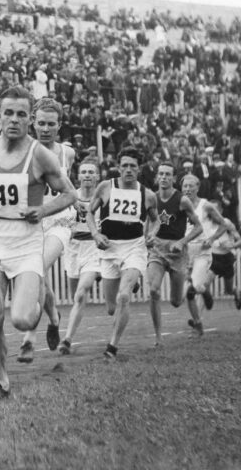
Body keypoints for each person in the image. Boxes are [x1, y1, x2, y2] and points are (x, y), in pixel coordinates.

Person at [0, 86, 76, 400]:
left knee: (21, 319)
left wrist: (42, 209)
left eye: (22, 114)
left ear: (29, 118)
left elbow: (70, 195)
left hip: (26, 241)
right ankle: (2, 381)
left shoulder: (40, 154)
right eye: (8, 113)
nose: (15, 120)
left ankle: (45, 316)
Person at [16, 97, 74, 363]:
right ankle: (53, 317)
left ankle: (29, 337)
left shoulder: (67, 153)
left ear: (59, 125)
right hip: (35, 221)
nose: (46, 129)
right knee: (40, 276)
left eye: (51, 124)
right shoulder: (22, 150)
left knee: (36, 268)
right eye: (41, 123)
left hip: (60, 222)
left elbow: (67, 186)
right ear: (32, 123)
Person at [86, 149, 159, 358]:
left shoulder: (147, 194)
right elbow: (90, 212)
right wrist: (95, 234)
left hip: (134, 247)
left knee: (124, 296)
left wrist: (152, 234)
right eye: (125, 165)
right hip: (109, 249)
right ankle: (130, 279)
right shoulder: (106, 187)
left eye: (133, 166)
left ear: (139, 169)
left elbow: (156, 219)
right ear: (118, 167)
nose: (128, 170)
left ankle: (112, 347)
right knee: (111, 308)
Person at [147, 162, 203, 346]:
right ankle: (158, 337)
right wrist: (147, 239)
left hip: (177, 251)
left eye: (167, 174)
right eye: (160, 174)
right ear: (157, 177)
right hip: (157, 248)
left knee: (176, 301)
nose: (163, 177)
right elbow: (148, 223)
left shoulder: (182, 200)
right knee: (154, 290)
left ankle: (185, 291)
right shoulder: (151, 198)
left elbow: (198, 227)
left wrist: (182, 242)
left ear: (173, 178)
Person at [58, 159, 102, 354]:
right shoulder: (70, 196)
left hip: (93, 249)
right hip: (73, 249)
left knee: (81, 293)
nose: (87, 175)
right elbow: (57, 218)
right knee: (75, 296)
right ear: (78, 176)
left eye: (91, 172)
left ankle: (67, 339)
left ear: (97, 176)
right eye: (84, 172)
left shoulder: (103, 198)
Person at [181, 174, 228, 335]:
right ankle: (198, 323)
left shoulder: (205, 205)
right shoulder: (179, 204)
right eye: (185, 186)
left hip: (202, 251)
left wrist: (212, 238)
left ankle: (202, 292)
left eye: (190, 186)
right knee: (186, 294)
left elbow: (223, 225)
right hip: (185, 253)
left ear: (197, 187)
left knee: (191, 290)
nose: (187, 189)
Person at [202, 199, 241, 309]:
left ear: (221, 210)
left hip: (226, 259)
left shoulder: (227, 223)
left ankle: (236, 292)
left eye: (215, 210)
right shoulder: (206, 224)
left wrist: (232, 246)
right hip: (213, 258)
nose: (213, 213)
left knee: (228, 290)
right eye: (211, 210)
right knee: (203, 286)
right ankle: (197, 319)